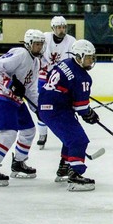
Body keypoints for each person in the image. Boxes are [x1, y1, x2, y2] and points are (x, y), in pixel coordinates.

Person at [38, 39, 99, 191]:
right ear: (79, 56)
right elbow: (81, 107)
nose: (92, 60)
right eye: (89, 57)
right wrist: (90, 114)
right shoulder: (83, 78)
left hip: (46, 106)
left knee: (69, 138)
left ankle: (64, 168)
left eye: (93, 57)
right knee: (78, 139)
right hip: (56, 110)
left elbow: (50, 79)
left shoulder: (64, 62)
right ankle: (75, 175)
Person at [0, 29, 45, 186]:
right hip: (0, 94)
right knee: (9, 133)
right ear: (29, 44)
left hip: (14, 99)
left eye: (41, 44)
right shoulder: (21, 53)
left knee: (29, 130)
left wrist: (39, 109)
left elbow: (30, 90)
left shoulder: (36, 62)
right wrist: (9, 83)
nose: (39, 47)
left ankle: (18, 163)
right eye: (36, 44)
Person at [36, 15, 76, 150]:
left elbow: (73, 62)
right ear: (53, 28)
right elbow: (37, 56)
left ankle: (67, 134)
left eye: (64, 27)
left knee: (64, 107)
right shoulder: (44, 37)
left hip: (61, 78)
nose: (62, 30)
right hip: (43, 76)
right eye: (59, 27)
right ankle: (42, 134)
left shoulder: (71, 41)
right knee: (41, 106)